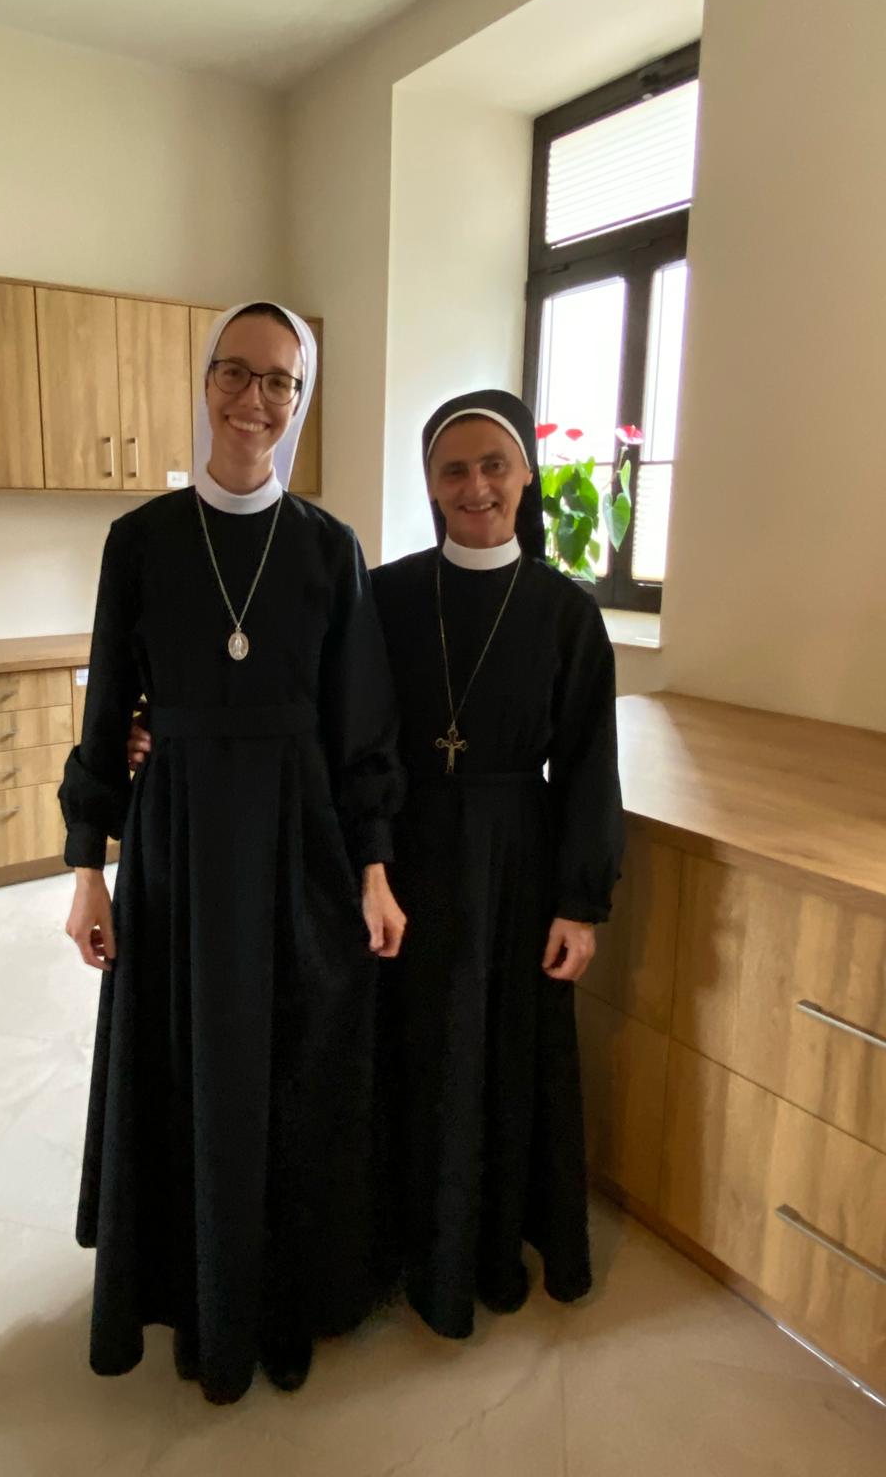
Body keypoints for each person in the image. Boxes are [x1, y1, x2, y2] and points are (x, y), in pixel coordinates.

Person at [59, 300, 407, 1405]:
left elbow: (361, 728)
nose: (255, 399)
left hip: (299, 841)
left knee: (294, 1065)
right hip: (177, 840)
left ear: (301, 400)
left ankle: (281, 1298)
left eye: (279, 381)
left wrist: (374, 867)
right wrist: (87, 868)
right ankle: (192, 1287)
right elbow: (107, 712)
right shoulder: (140, 542)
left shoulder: (329, 548)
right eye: (236, 372)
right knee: (183, 1063)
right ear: (206, 381)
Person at [371, 389, 623, 1336]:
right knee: (413, 1047)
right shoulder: (386, 596)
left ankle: (487, 1242)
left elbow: (590, 764)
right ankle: (407, 1242)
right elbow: (334, 721)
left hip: (519, 858)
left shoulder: (567, 612)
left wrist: (580, 903)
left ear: (525, 477)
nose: (475, 486)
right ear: (431, 485)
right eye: (454, 470)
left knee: (503, 1052)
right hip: (408, 855)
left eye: (494, 466)